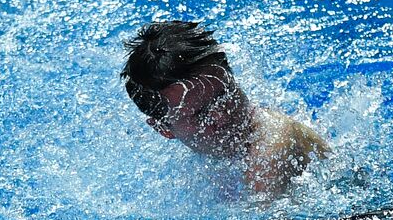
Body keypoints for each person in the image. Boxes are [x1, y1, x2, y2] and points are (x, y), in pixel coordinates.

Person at [120, 20, 331, 197]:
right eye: (200, 114)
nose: (221, 116)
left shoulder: (273, 143)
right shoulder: (201, 166)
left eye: (223, 96)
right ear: (164, 129)